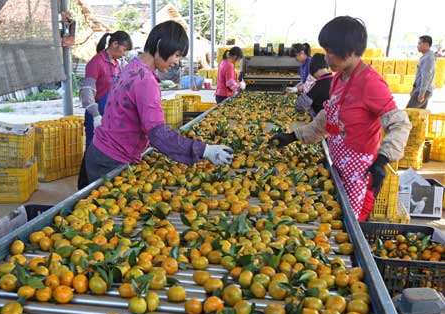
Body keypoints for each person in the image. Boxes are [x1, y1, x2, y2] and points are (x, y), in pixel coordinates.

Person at [271, 16, 411, 222]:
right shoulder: (338, 78)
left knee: (350, 224)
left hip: (360, 171)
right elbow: (327, 117)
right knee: (335, 217)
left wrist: (383, 159)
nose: (326, 59)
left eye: (330, 52)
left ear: (350, 51)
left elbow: (400, 123)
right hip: (338, 163)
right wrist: (294, 136)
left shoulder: (370, 83)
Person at [85, 21, 234, 184]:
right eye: (176, 55)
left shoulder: (132, 66)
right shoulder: (145, 81)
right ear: (160, 45)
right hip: (110, 161)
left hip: (100, 151)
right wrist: (205, 150)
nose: (177, 62)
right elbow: (157, 133)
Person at [78, 31, 132, 189]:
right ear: (114, 44)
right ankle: (86, 188)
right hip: (98, 115)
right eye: (124, 49)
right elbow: (87, 92)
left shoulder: (118, 63)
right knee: (93, 152)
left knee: (108, 152)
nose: (124, 53)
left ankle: (102, 186)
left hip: (112, 117)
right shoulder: (96, 63)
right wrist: (95, 115)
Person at [407, 35, 435, 109]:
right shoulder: (426, 56)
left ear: (426, 45)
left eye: (419, 43)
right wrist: (413, 88)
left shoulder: (428, 58)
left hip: (423, 90)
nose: (417, 46)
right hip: (422, 89)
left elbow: (426, 76)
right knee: (418, 116)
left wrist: (422, 93)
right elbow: (419, 76)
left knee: (408, 113)